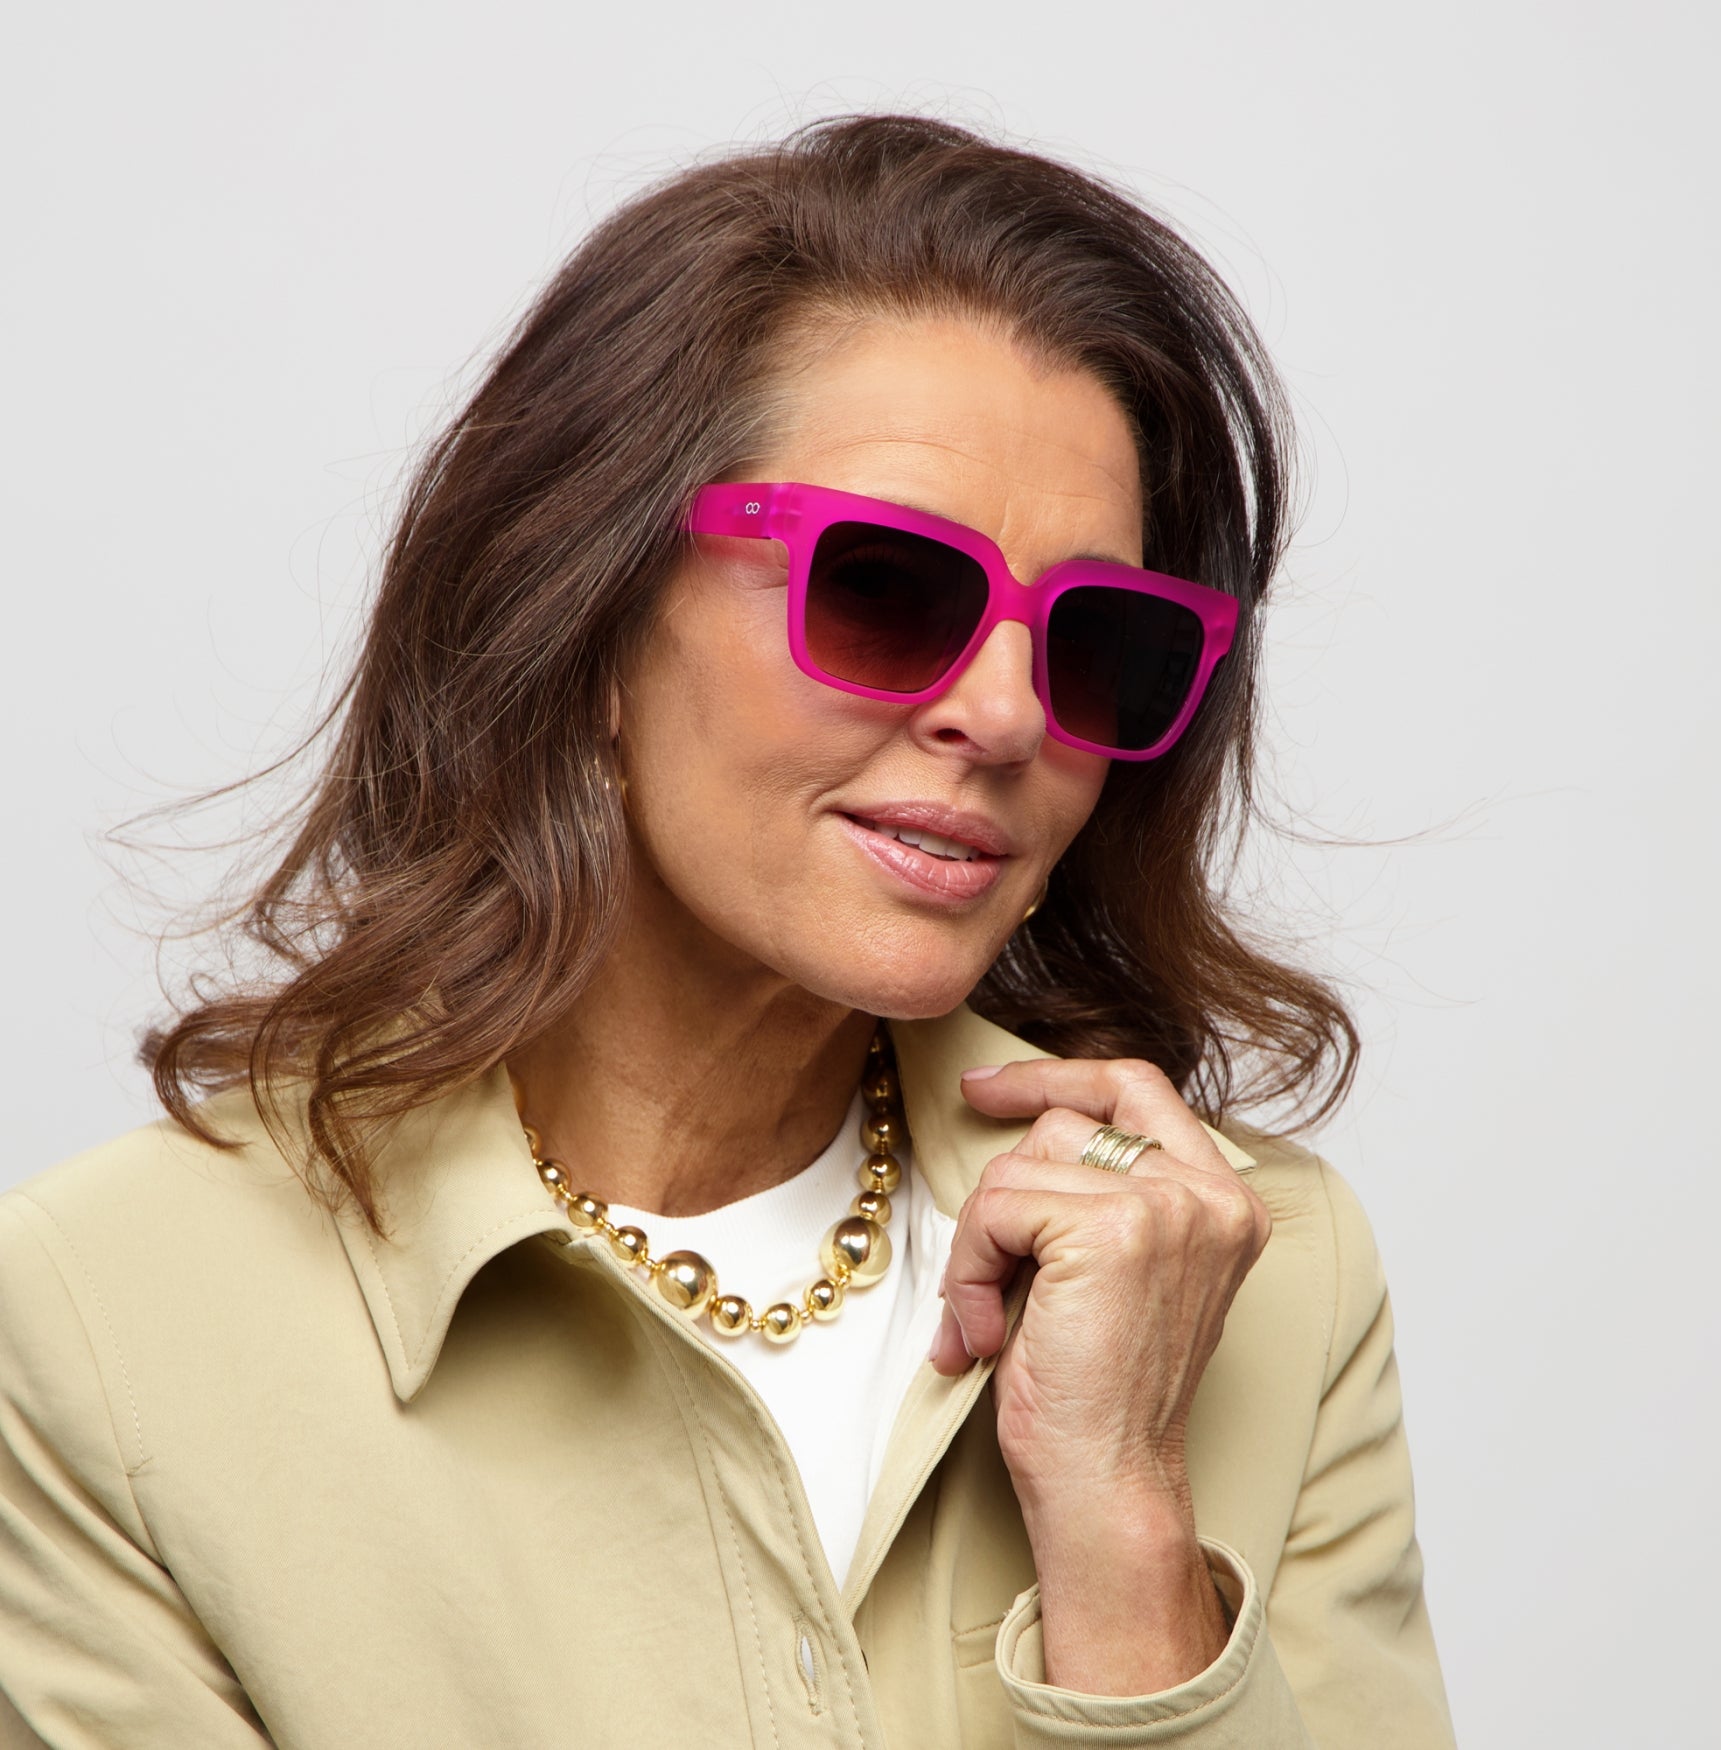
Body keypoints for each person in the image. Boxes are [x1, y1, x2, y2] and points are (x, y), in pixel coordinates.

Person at [0, 114, 1456, 1747]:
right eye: (884, 589)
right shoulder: (108, 1322)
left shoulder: (1258, 1271)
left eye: (1093, 639)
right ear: (586, 617)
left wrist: (1124, 1525)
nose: (1001, 713)